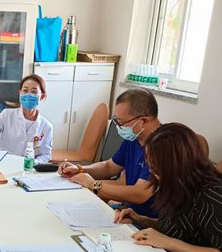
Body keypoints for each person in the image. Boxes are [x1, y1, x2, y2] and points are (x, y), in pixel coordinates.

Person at [115, 123, 222, 252]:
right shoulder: (175, 182)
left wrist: (169, 242)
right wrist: (141, 219)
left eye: (155, 164)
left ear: (175, 164)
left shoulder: (214, 195)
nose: (151, 168)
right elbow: (179, 229)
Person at [58, 88, 161, 217]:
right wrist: (79, 169)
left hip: (148, 220)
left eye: (122, 122)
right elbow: (110, 167)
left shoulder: (162, 147)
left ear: (143, 121)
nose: (118, 127)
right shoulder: (134, 138)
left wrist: (93, 184)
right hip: (129, 211)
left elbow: (140, 194)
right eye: (116, 121)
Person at [0, 74, 53, 163]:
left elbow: (45, 155)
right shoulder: (6, 115)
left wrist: (33, 163)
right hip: (3, 164)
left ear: (42, 96)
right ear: (20, 93)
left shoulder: (46, 127)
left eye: (34, 92)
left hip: (28, 167)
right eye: (25, 90)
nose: (28, 95)